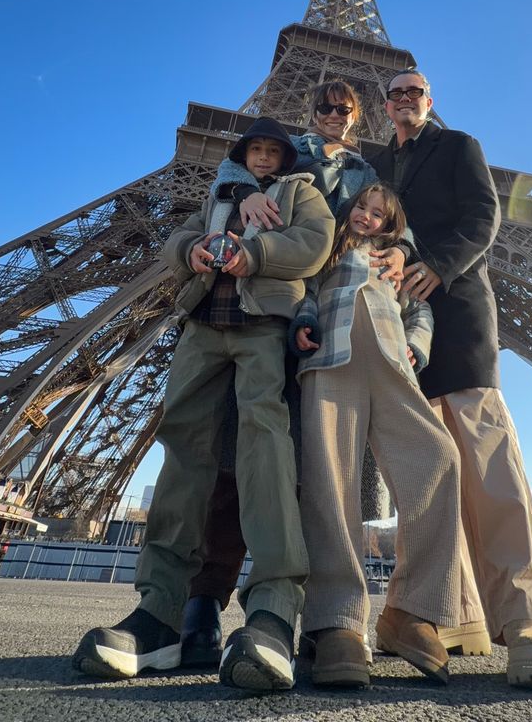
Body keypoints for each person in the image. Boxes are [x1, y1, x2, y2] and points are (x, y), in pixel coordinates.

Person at [72, 117, 335, 692]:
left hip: (262, 324)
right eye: (254, 149)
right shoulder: (218, 195)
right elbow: (179, 238)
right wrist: (192, 250)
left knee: (266, 449)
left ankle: (272, 611)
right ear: (242, 154)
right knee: (182, 449)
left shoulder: (303, 193)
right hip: (202, 324)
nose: (262, 157)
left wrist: (253, 253)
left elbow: (315, 246)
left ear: (286, 159)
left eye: (272, 151)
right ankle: (159, 611)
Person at [181, 81, 409, 666]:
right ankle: (203, 600)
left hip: (328, 315)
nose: (333, 115)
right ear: (310, 111)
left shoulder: (366, 170)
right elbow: (232, 176)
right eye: (325, 106)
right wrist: (241, 190)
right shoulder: (285, 153)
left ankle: (321, 617)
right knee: (236, 453)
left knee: (320, 468)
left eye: (344, 109)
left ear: (359, 117)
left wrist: (403, 248)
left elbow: (390, 215)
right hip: (266, 303)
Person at [369, 69, 532, 692]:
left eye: (415, 91)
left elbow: (485, 216)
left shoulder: (458, 145)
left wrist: (437, 264)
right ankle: (451, 613)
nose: (405, 99)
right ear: (384, 105)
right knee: (424, 474)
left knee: (488, 460)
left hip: (457, 312)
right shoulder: (373, 164)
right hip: (397, 320)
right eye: (396, 92)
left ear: (429, 101)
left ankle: (529, 617)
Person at [292, 183, 462, 688]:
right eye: (361, 208)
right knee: (330, 484)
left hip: (392, 363)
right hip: (331, 360)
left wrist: (416, 345)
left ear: (391, 225)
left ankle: (411, 610)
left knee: (440, 458)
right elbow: (305, 291)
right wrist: (303, 321)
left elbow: (421, 309)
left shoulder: (394, 260)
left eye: (378, 214)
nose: (366, 217)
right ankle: (337, 620)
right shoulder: (328, 249)